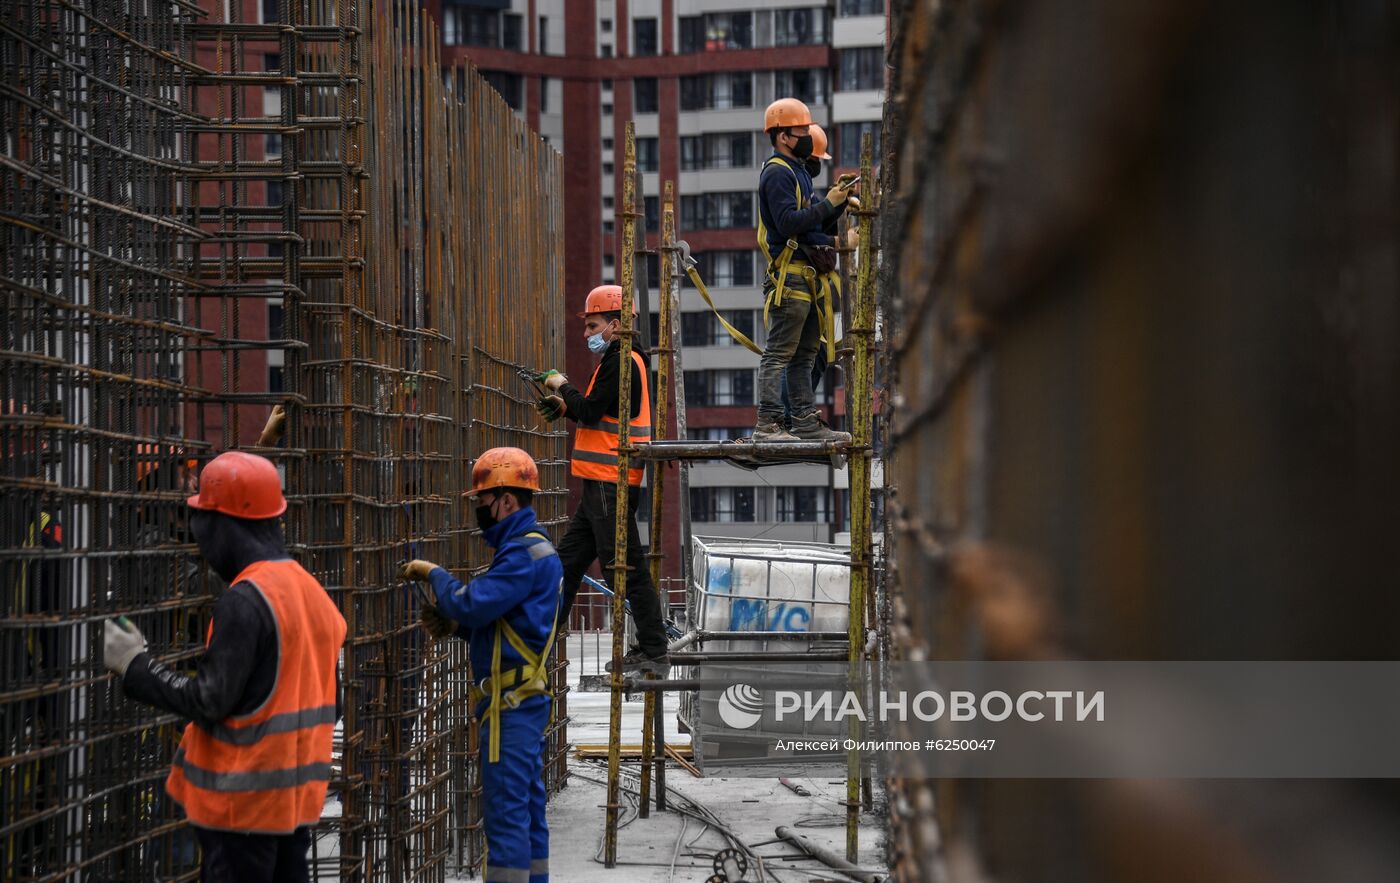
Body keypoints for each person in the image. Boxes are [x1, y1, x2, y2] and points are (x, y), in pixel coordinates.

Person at [104, 450, 347, 883]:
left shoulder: (246, 598)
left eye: (202, 522)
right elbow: (334, 703)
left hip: (241, 809)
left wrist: (135, 667)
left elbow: (210, 698)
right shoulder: (312, 593)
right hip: (293, 807)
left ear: (225, 527)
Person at [399, 447, 561, 883]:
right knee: (526, 811)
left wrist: (436, 575)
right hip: (520, 701)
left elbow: (470, 604)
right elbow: (504, 627)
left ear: (506, 501)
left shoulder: (522, 555)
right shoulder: (529, 550)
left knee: (507, 816)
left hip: (510, 707)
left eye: (483, 501)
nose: (479, 510)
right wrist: (455, 630)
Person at [533, 284, 670, 672]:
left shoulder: (623, 360)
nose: (586, 334)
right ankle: (538, 638)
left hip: (611, 481)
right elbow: (604, 414)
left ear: (615, 324)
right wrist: (565, 407)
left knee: (624, 567)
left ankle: (654, 649)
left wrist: (562, 386)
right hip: (601, 483)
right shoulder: (624, 359)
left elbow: (592, 410)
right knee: (566, 564)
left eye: (592, 325)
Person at [753, 98, 857, 443]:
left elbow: (810, 228)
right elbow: (786, 224)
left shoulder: (795, 171)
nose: (806, 137)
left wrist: (837, 206)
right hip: (792, 276)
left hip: (808, 278)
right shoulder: (777, 173)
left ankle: (804, 422)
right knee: (780, 353)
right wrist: (829, 205)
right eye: (800, 131)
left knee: (805, 354)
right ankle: (767, 424)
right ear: (783, 136)